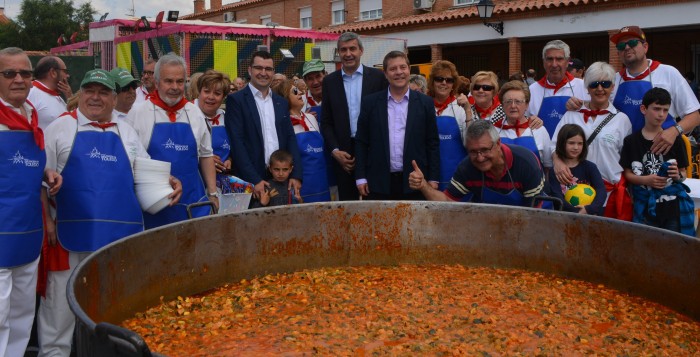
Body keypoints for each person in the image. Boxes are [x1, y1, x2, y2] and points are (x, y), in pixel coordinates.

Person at [39, 69, 182, 357]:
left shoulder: (126, 130)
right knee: (58, 318)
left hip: (118, 240)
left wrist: (168, 180)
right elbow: (42, 181)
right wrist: (47, 223)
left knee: (112, 314)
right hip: (69, 238)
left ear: (113, 98)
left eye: (103, 92)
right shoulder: (59, 128)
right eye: (89, 90)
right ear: (80, 94)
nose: (95, 97)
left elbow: (145, 171)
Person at [0, 47, 61, 357]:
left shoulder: (29, 116)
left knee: (22, 318)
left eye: (24, 73)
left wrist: (45, 172)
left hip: (27, 234)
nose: (18, 79)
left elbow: (22, 165)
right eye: (9, 73)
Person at [570, 26, 700, 155]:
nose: (626, 48)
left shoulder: (668, 73)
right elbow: (596, 107)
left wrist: (674, 131)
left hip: (662, 152)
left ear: (645, 47)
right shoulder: (613, 81)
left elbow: (694, 116)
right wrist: (576, 104)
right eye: (621, 46)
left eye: (632, 43)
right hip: (625, 156)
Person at [126, 53, 218, 229]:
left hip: (193, 203)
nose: (175, 87)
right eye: (169, 81)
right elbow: (129, 161)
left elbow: (206, 156)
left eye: (180, 81)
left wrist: (212, 193)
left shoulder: (195, 112)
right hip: (154, 207)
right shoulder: (138, 113)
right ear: (157, 81)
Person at [355, 51, 440, 200]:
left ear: (409, 70)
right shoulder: (370, 103)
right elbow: (361, 142)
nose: (399, 72)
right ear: (386, 74)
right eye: (393, 69)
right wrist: (361, 177)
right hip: (378, 182)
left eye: (403, 67)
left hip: (415, 181)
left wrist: (433, 178)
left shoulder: (425, 103)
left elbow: (432, 142)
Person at [552, 61, 632, 217]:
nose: (600, 89)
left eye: (605, 84)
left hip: (608, 196)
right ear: (587, 88)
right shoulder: (571, 115)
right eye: (594, 84)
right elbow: (554, 145)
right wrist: (558, 161)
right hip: (573, 196)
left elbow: (627, 160)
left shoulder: (622, 120)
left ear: (613, 87)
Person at [409, 120, 544, 207]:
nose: (480, 158)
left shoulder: (526, 164)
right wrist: (423, 186)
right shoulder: (467, 167)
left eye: (485, 150)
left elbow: (533, 215)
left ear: (498, 144)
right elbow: (446, 201)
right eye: (473, 152)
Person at [225, 50, 302, 203]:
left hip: (281, 179)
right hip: (253, 182)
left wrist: (296, 174)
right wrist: (253, 179)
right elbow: (237, 143)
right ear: (249, 70)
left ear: (273, 72)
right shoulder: (236, 101)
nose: (263, 73)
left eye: (268, 69)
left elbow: (290, 138)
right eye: (258, 68)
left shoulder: (281, 102)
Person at [321, 32, 389, 201]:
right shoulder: (329, 82)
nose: (348, 53)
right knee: (347, 206)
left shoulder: (378, 78)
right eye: (343, 50)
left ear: (361, 50)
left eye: (352, 48)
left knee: (375, 203)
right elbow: (326, 122)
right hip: (344, 154)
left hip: (372, 150)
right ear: (338, 53)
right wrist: (335, 151)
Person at [620, 87, 694, 235]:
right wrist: (645, 180)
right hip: (644, 207)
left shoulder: (676, 140)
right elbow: (627, 174)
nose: (661, 114)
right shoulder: (631, 141)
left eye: (665, 110)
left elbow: (683, 173)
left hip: (673, 207)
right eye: (656, 108)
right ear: (643, 109)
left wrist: (677, 176)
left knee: (673, 251)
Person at [275, 79, 330, 202]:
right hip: (300, 185)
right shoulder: (282, 123)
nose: (300, 93)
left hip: (322, 182)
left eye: (300, 90)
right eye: (295, 91)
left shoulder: (311, 118)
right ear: (285, 98)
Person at [527, 40, 589, 137]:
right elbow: (521, 121)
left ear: (568, 62)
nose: (554, 64)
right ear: (543, 62)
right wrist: (529, 120)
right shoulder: (532, 90)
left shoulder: (583, 87)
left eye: (559, 59)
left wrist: (583, 108)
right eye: (549, 59)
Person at [427, 60, 468, 190]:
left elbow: (469, 141)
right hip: (428, 179)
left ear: (453, 84)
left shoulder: (460, 109)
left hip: (457, 179)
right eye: (439, 79)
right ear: (432, 82)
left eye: (449, 80)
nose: (444, 83)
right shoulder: (423, 106)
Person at [547, 124, 606, 215]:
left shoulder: (590, 167)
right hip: (565, 218)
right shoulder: (555, 171)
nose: (576, 147)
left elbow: (601, 192)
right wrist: (577, 212)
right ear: (562, 143)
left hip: (591, 216)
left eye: (580, 143)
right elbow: (557, 198)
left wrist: (588, 209)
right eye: (571, 143)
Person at [494, 80, 552, 169]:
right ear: (502, 105)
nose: (513, 106)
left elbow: (548, 166)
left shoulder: (539, 130)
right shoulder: (494, 131)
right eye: (508, 101)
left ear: (527, 105)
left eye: (518, 101)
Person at [195, 70, 231, 174]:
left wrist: (230, 159)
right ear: (199, 92)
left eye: (217, 93)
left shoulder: (226, 117)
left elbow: (234, 147)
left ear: (223, 97)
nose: (211, 97)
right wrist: (203, 160)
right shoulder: (187, 115)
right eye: (206, 91)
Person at [27, 56, 70, 129]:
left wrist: (70, 97)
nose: (67, 75)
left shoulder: (57, 97)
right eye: (65, 71)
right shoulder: (30, 92)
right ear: (53, 73)